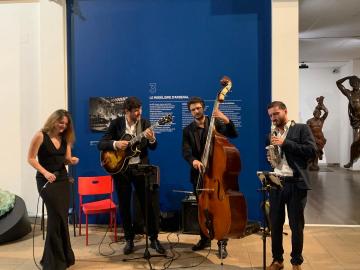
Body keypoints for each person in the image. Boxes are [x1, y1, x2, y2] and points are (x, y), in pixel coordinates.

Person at [97, 96, 165, 255]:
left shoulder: (145, 124)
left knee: (147, 205)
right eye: (136, 110)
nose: (139, 112)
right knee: (125, 206)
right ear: (127, 111)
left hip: (140, 169)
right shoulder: (116, 124)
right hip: (121, 171)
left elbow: (153, 147)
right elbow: (101, 144)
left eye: (140, 109)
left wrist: (152, 138)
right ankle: (129, 239)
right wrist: (115, 144)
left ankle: (154, 238)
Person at [182, 96, 238, 259]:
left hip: (217, 175)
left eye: (198, 108)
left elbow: (234, 134)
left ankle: (222, 242)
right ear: (190, 111)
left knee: (220, 209)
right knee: (202, 207)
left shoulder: (216, 124)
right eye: (193, 109)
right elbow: (186, 152)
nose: (196, 111)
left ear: (204, 108)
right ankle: (205, 238)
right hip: (199, 175)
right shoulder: (187, 130)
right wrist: (193, 161)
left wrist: (226, 119)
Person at [266, 101, 316, 270]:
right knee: (275, 224)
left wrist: (284, 143)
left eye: (276, 114)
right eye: (271, 115)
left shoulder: (301, 128)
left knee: (296, 226)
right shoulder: (271, 132)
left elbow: (311, 151)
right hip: (276, 183)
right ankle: (277, 260)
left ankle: (296, 262)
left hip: (296, 183)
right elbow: (276, 157)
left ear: (285, 111)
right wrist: (271, 158)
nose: (273, 117)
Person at [28, 109, 79, 270]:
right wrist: (45, 172)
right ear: (53, 120)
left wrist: (72, 161)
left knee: (61, 218)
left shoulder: (65, 138)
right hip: (46, 181)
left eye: (66, 124)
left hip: (62, 180)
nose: (63, 126)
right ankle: (53, 262)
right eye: (61, 122)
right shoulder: (40, 135)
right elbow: (30, 158)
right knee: (56, 216)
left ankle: (61, 258)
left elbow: (65, 160)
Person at [336, 75, 360, 168]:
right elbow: (338, 83)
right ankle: (351, 161)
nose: (356, 85)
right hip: (356, 122)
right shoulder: (349, 94)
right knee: (355, 142)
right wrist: (348, 77)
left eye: (358, 83)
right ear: (351, 85)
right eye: (354, 83)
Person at [306, 96, 328, 171]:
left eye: (319, 113)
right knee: (314, 150)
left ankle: (315, 163)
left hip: (321, 138)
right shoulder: (310, 121)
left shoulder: (321, 120)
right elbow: (308, 131)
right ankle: (310, 162)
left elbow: (327, 112)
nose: (318, 114)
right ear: (314, 113)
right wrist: (313, 139)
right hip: (313, 138)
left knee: (317, 151)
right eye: (317, 113)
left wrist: (322, 106)